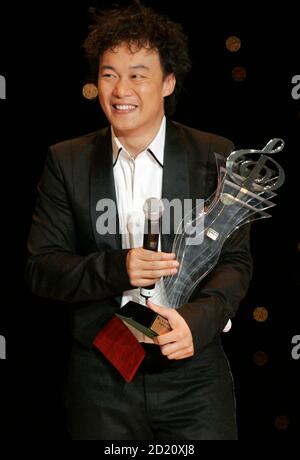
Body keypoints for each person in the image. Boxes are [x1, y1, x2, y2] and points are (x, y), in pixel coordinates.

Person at [25, 1, 252, 440]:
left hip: (194, 370)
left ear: (168, 82)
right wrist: (117, 267)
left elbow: (235, 262)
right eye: (109, 74)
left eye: (137, 74)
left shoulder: (214, 156)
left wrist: (198, 322)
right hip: (102, 375)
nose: (120, 89)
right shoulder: (65, 160)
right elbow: (41, 267)